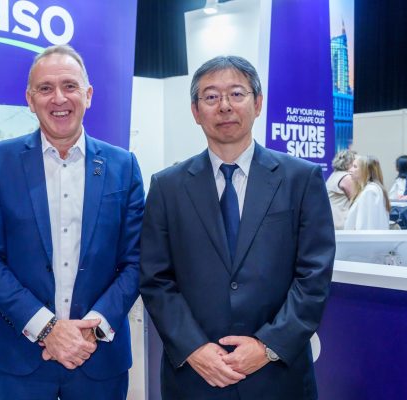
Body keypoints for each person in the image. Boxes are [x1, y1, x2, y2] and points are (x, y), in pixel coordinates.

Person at [139, 56, 335, 399]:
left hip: (277, 375)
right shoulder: (167, 186)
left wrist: (267, 345)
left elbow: (314, 276)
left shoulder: (300, 179)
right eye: (211, 97)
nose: (225, 106)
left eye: (236, 94)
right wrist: (194, 347)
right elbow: (155, 278)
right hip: (196, 375)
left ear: (257, 104)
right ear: (195, 111)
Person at [0, 44, 144, 399]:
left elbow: (137, 260)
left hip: (98, 356)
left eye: (70, 86)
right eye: (45, 88)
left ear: (88, 95)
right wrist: (47, 328)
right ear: (30, 100)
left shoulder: (123, 165)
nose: (58, 98)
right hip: (19, 357)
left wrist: (92, 329)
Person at [344, 155, 390, 230]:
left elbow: (368, 225)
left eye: (355, 167)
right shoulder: (368, 189)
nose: (350, 170)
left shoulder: (370, 191)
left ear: (366, 170)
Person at [326, 150, 357, 229]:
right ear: (349, 162)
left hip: (331, 220)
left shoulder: (334, 174)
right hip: (341, 222)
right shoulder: (347, 178)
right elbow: (356, 201)